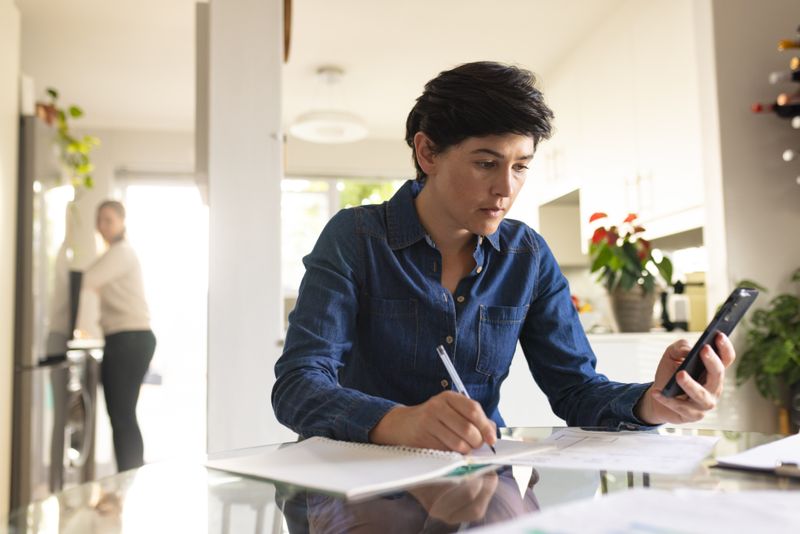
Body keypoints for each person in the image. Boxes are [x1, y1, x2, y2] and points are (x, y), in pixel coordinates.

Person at [272, 61, 734, 453]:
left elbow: (575, 389)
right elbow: (298, 386)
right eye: (486, 163)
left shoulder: (526, 255)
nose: (506, 189)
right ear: (427, 151)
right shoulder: (355, 237)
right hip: (356, 487)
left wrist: (655, 402)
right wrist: (400, 422)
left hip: (479, 483)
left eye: (520, 166)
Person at [79, 200, 156, 471]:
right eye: (99, 219)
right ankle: (129, 477)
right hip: (128, 339)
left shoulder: (121, 252)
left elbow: (87, 280)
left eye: (109, 220)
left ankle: (129, 478)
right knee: (123, 416)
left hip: (129, 339)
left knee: (122, 416)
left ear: (122, 222)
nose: (102, 225)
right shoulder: (115, 253)